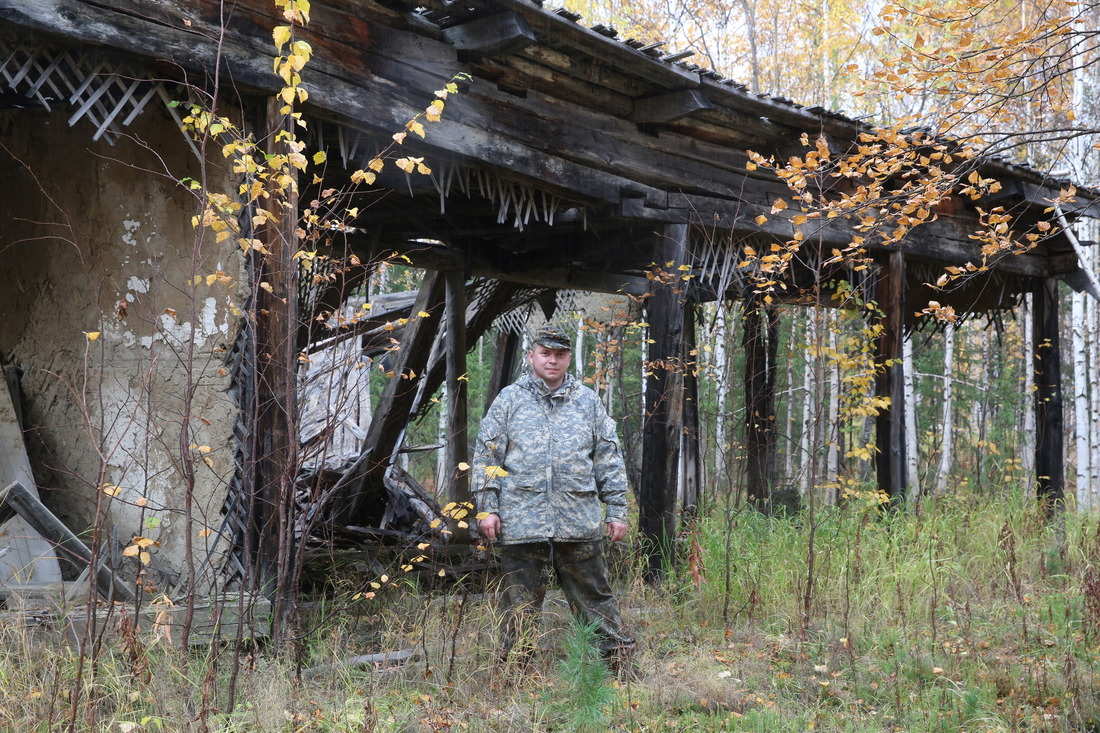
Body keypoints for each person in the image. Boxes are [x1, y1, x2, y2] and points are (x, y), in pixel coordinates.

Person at [473, 325, 636, 670]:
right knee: (519, 601)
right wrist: (487, 507)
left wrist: (617, 510)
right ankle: (516, 672)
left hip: (577, 519)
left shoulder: (587, 401)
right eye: (545, 353)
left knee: (594, 597)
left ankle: (616, 666)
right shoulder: (510, 400)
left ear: (567, 358)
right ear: (531, 356)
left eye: (560, 354)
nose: (552, 360)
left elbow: (608, 456)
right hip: (521, 519)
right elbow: (488, 457)